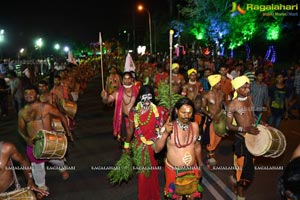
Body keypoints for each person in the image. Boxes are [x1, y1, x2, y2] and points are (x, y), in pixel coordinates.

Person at [18, 85, 72, 194]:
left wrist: (68, 131)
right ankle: (42, 187)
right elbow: (21, 129)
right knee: (36, 166)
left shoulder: (46, 107)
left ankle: (62, 168)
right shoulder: (22, 112)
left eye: (31, 93)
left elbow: (61, 116)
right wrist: (26, 139)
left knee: (57, 159)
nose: (29, 95)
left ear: (37, 95)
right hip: (33, 144)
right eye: (26, 94)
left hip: (49, 140)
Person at [154, 97, 202, 199]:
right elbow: (156, 149)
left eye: (189, 113)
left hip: (192, 169)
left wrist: (200, 164)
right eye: (183, 112)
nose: (186, 116)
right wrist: (165, 133)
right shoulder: (168, 127)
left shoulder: (195, 126)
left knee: (192, 196)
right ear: (176, 111)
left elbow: (197, 146)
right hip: (174, 172)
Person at [125, 85, 168, 200]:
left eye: (149, 97)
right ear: (139, 97)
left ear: (153, 98)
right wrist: (126, 144)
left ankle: (154, 196)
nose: (147, 100)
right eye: (144, 97)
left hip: (153, 147)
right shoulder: (134, 112)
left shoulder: (159, 111)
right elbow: (130, 130)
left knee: (153, 173)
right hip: (139, 147)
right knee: (143, 175)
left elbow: (168, 122)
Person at [226, 75, 260, 200]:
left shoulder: (249, 98)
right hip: (241, 139)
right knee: (244, 171)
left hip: (252, 137)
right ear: (237, 89)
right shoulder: (232, 105)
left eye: (247, 84)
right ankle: (240, 196)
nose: (247, 86)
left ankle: (235, 177)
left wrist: (261, 123)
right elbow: (228, 126)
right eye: (244, 85)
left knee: (249, 165)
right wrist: (245, 129)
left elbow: (252, 116)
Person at [101, 71, 139, 141]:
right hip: (124, 119)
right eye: (125, 78)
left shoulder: (138, 91)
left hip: (136, 118)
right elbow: (107, 101)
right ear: (122, 80)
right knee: (125, 141)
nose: (127, 80)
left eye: (129, 78)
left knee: (136, 140)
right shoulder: (117, 92)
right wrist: (105, 97)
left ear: (132, 79)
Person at [201, 74, 226, 167]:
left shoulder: (222, 94)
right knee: (210, 142)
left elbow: (224, 105)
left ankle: (210, 154)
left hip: (220, 119)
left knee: (218, 139)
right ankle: (210, 160)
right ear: (213, 84)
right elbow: (202, 109)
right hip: (210, 121)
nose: (220, 84)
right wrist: (211, 116)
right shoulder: (206, 95)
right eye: (218, 82)